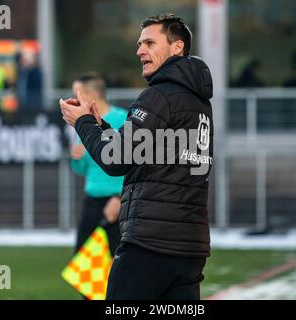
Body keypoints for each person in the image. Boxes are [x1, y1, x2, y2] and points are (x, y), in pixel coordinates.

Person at [60, 13, 213, 300]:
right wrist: (99, 126)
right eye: (140, 44)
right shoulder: (198, 101)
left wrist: (83, 123)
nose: (139, 50)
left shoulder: (158, 96)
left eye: (149, 43)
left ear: (177, 47)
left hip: (151, 243)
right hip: (189, 246)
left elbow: (116, 160)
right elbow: (151, 152)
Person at [69, 73, 127, 256]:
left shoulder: (123, 119)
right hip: (92, 200)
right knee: (83, 263)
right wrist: (76, 159)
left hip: (117, 201)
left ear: (91, 95)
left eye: (76, 94)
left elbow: (133, 162)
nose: (73, 100)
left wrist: (119, 198)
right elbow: (83, 168)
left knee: (118, 265)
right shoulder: (83, 122)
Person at [16, 48, 43, 112]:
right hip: (22, 103)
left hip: (32, 104)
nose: (23, 63)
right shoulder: (21, 72)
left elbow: (36, 88)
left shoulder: (35, 72)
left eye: (25, 61)